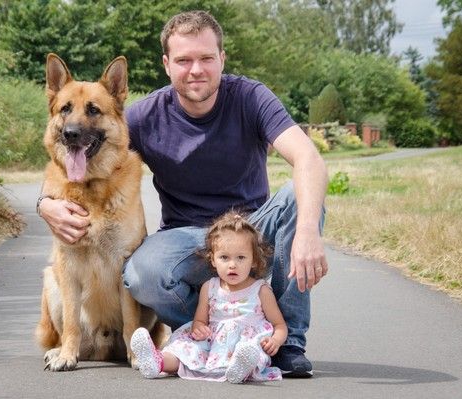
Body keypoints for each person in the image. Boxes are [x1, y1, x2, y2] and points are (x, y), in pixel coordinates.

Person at [37, 10, 329, 377]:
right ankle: (205, 334)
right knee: (141, 274)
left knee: (300, 197)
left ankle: (286, 344)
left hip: (249, 232)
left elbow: (309, 159)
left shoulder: (252, 97)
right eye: (184, 60)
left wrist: (306, 231)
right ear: (167, 64)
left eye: (206, 58)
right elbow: (66, 161)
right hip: (185, 240)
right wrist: (45, 204)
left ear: (222, 58)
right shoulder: (143, 116)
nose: (196, 70)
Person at [130, 211, 285, 383]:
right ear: (213, 260)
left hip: (245, 341)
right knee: (187, 349)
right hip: (213, 343)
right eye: (224, 257)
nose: (232, 264)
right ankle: (158, 362)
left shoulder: (260, 290)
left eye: (241, 258)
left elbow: (279, 325)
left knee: (251, 351)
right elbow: (200, 320)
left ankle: (241, 369)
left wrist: (275, 341)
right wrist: (199, 328)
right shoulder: (209, 287)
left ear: (254, 260)